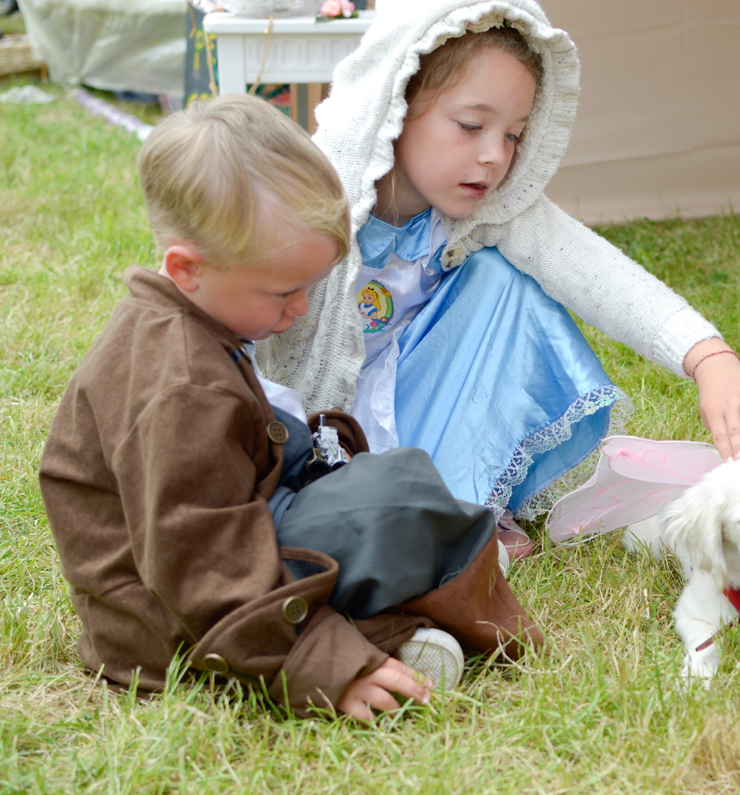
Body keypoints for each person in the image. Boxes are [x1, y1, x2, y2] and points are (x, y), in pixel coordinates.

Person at [38, 94, 541, 724]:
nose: (300, 310)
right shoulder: (178, 388)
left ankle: (396, 624)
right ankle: (367, 640)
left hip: (223, 554)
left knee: (390, 486)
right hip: (170, 628)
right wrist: (325, 669)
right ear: (186, 268)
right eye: (283, 292)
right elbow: (206, 569)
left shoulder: (192, 320)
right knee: (390, 505)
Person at [259, 0, 740, 560]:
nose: (493, 156)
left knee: (498, 278)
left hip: (415, 407)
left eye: (513, 135)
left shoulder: (489, 210)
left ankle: (468, 505)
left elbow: (595, 272)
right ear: (398, 103)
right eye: (470, 126)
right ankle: (415, 522)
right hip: (323, 435)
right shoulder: (314, 206)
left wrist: (709, 357)